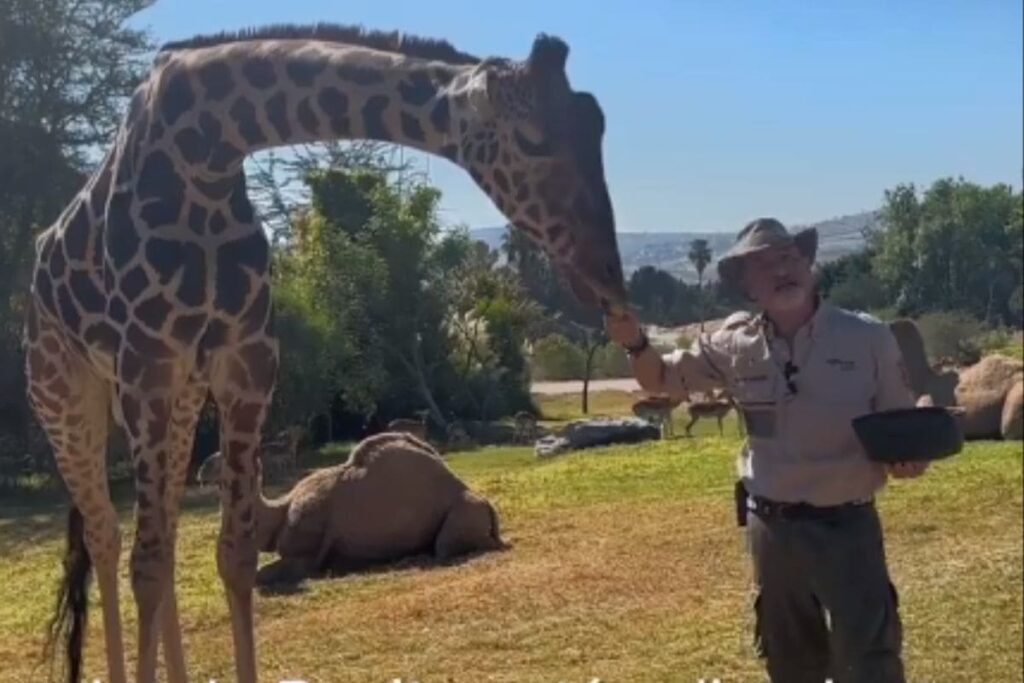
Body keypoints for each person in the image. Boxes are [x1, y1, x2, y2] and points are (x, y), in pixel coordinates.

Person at [605, 218, 927, 683]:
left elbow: (901, 431)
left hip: (849, 524)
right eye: (764, 264)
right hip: (773, 529)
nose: (782, 270)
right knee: (790, 662)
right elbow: (662, 380)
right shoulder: (732, 344)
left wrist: (909, 461)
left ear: (809, 265)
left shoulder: (868, 339)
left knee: (869, 660)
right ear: (747, 287)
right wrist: (634, 341)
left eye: (788, 257)